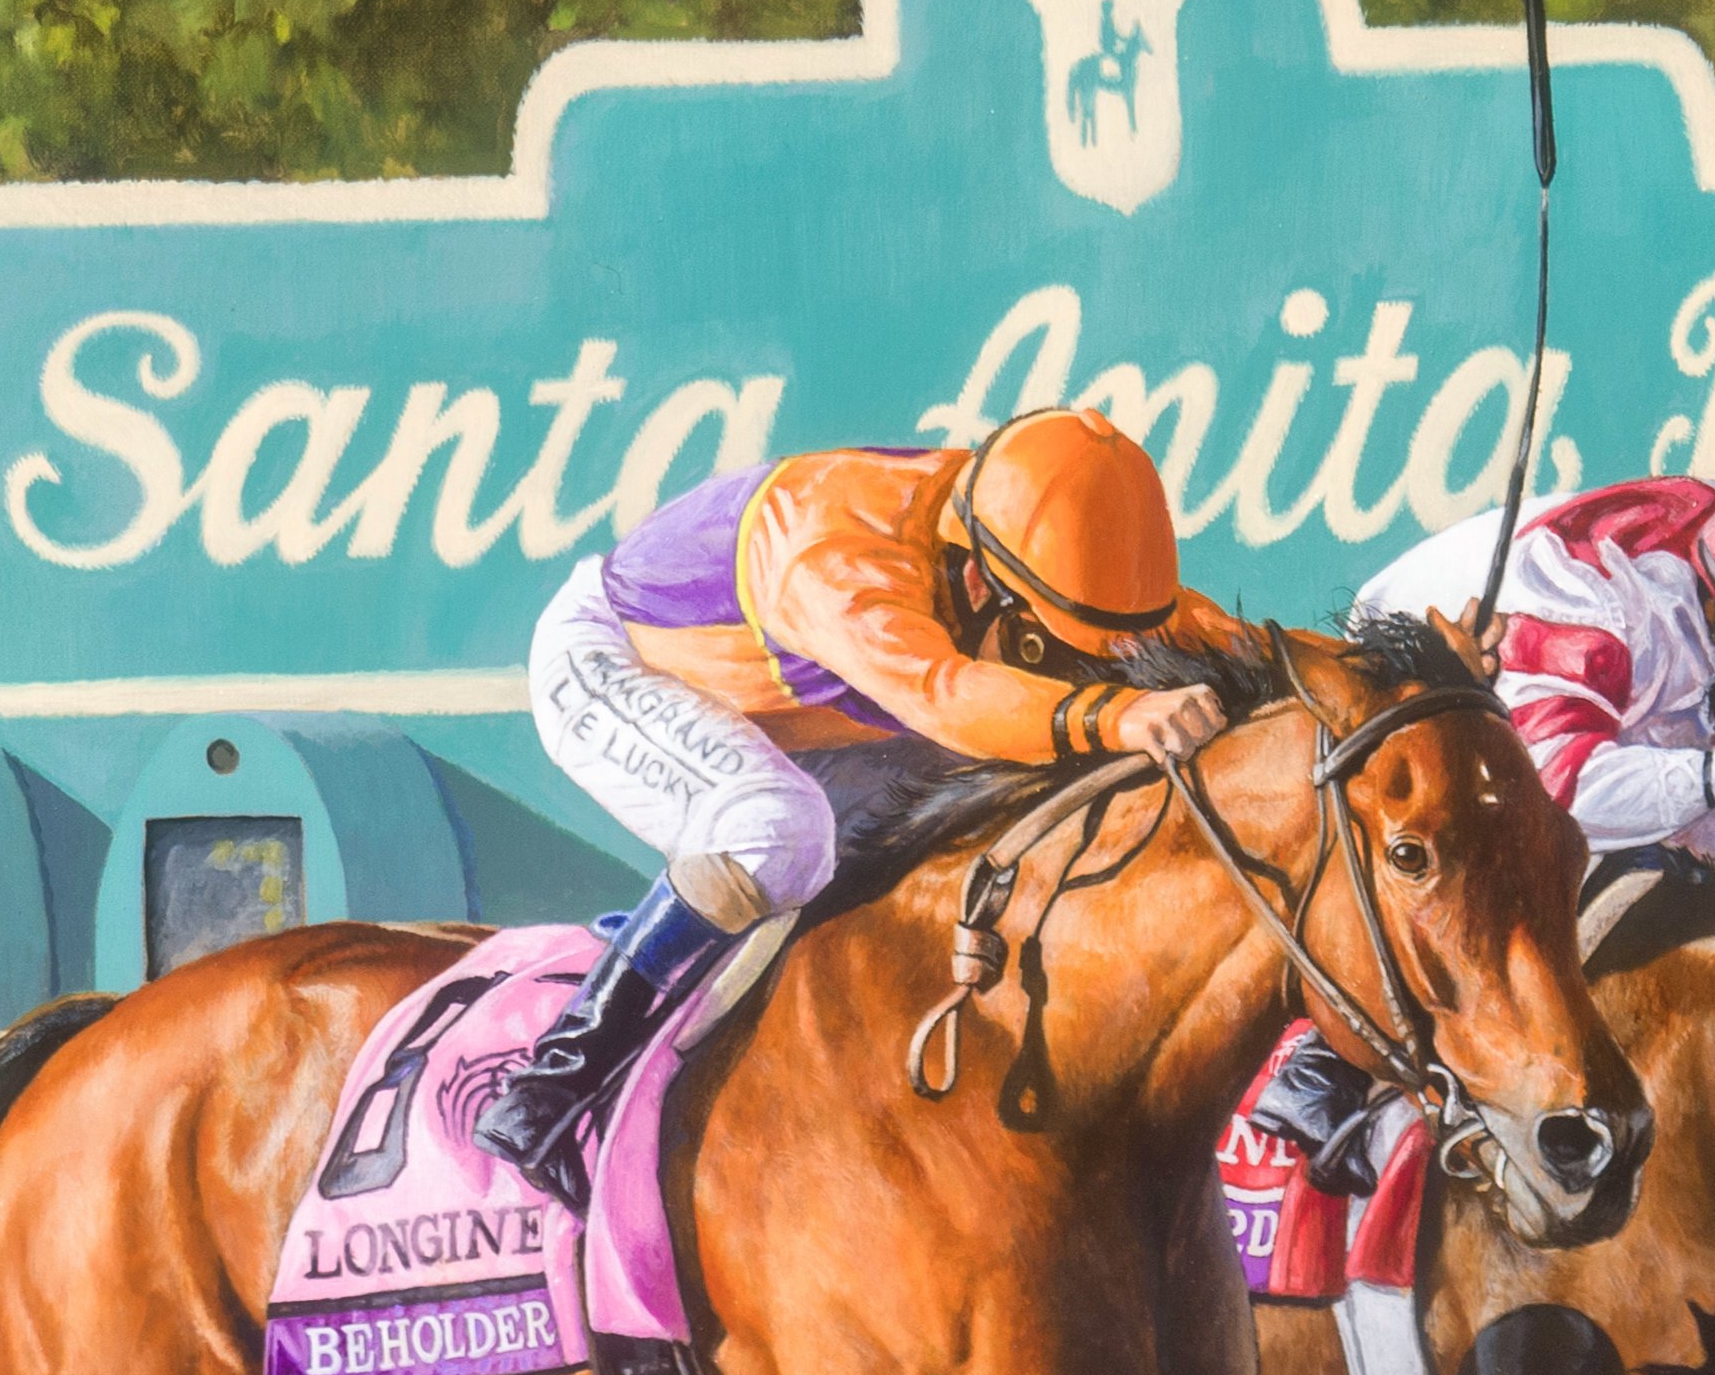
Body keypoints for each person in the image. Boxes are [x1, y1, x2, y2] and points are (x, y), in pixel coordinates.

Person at [477, 409, 1248, 1207]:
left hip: (790, 708)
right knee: (776, 829)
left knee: (986, 801)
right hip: (612, 665)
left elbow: (1202, 633)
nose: (1073, 664)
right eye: (1048, 642)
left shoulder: (1015, 531)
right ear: (981, 581)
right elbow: (940, 694)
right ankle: (549, 1089)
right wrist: (1112, 716)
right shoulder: (836, 555)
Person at [1249, 453, 1715, 1191]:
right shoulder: (1585, 593)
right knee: (1524, 858)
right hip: (1454, 697)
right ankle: (1328, 1068)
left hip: (1630, 703)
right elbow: (1560, 791)